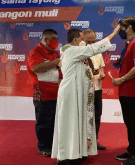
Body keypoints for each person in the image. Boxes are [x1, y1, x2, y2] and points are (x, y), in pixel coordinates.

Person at [51, 25, 120, 165]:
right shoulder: (72, 50)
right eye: (82, 39)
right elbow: (93, 48)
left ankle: (78, 152)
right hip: (71, 93)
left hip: (79, 93)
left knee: (78, 122)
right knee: (70, 124)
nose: (85, 43)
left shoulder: (73, 51)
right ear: (76, 40)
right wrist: (113, 34)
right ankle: (67, 156)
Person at [112, 16, 135, 165]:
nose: (119, 31)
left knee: (133, 123)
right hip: (126, 90)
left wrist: (123, 79)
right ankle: (131, 150)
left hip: (131, 90)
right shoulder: (129, 44)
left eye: (121, 28)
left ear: (129, 28)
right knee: (129, 122)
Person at [26, 29, 62, 157]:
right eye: (53, 38)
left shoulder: (56, 53)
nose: (55, 41)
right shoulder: (35, 52)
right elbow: (36, 68)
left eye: (57, 38)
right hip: (42, 93)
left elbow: (60, 70)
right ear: (45, 39)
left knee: (54, 121)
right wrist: (54, 63)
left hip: (57, 93)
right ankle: (43, 146)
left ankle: (53, 145)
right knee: (44, 121)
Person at [83, 29, 106, 150]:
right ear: (83, 39)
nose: (92, 44)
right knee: (85, 116)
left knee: (97, 115)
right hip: (84, 90)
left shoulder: (98, 52)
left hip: (97, 88)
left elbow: (102, 68)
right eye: (89, 41)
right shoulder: (80, 52)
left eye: (94, 41)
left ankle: (94, 141)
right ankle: (83, 142)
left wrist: (102, 74)